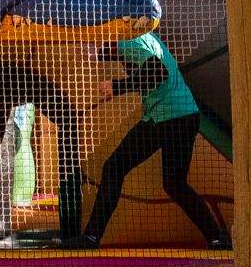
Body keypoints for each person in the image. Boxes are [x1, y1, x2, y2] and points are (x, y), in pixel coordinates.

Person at [77, 32, 229, 250]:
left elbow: (158, 71)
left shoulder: (129, 39)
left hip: (165, 117)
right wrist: (99, 54)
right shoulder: (143, 37)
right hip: (186, 115)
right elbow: (130, 54)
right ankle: (217, 237)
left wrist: (116, 86)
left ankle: (91, 238)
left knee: (114, 167)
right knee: (174, 184)